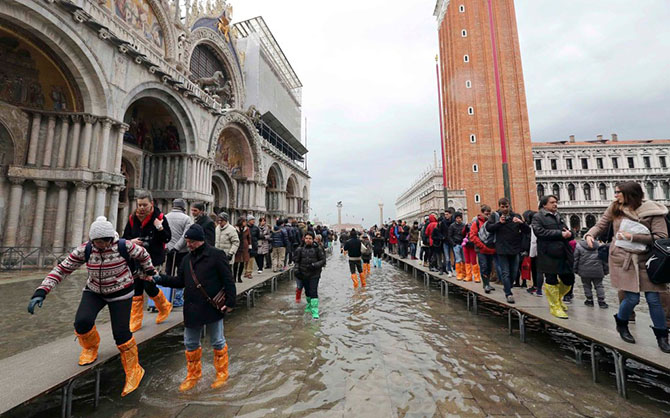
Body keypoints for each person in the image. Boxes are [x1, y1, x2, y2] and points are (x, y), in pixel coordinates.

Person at [27, 217, 156, 396]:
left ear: (111, 239)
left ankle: (134, 370)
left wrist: (149, 271)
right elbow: (63, 269)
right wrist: (42, 290)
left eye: (104, 241)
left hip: (121, 292)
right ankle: (90, 347)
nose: (100, 245)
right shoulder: (86, 249)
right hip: (94, 290)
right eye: (97, 242)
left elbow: (143, 255)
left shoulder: (124, 246)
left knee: (121, 334)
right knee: (82, 322)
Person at [584, 182, 670, 352]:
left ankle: (662, 337)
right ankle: (622, 323)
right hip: (623, 258)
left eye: (618, 192)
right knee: (632, 298)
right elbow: (601, 225)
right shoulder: (615, 208)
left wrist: (633, 237)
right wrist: (589, 234)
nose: (615, 195)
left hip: (647, 260)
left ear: (630, 194)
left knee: (654, 300)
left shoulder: (653, 211)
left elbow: (661, 236)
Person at [154, 224, 237, 390]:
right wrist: (159, 279)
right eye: (187, 241)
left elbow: (228, 280)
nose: (189, 245)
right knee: (190, 343)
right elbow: (180, 281)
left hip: (213, 306)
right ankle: (193, 375)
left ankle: (222, 373)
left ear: (200, 240)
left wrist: (230, 303)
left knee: (217, 341)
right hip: (192, 307)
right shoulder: (186, 260)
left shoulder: (216, 255)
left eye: (192, 241)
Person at [123, 190, 172, 332]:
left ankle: (164, 306)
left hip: (153, 257)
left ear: (151, 203)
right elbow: (125, 236)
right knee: (136, 286)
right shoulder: (133, 218)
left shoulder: (160, 217)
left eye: (144, 205)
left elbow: (167, 238)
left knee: (149, 286)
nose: (142, 208)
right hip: (136, 257)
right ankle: (136, 319)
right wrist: (131, 241)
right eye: (139, 205)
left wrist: (159, 227)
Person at [532, 195, 574, 319]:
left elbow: (566, 230)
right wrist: (560, 234)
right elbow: (539, 232)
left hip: (563, 252)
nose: (555, 204)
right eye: (552, 202)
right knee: (551, 279)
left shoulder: (558, 216)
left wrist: (570, 234)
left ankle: (558, 298)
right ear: (544, 205)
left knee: (569, 278)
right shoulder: (538, 217)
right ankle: (555, 306)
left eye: (556, 202)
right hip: (548, 253)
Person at [485, 198, 530, 304]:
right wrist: (499, 223)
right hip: (502, 249)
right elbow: (488, 228)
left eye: (506, 206)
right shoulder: (495, 216)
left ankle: (507, 287)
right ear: (499, 206)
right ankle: (508, 293)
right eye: (502, 206)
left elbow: (527, 231)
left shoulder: (516, 216)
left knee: (514, 272)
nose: (505, 208)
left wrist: (521, 223)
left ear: (509, 205)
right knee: (505, 272)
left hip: (515, 249)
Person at [165, 198, 192, 307]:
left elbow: (163, 234)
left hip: (169, 250)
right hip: (182, 251)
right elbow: (186, 236)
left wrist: (168, 247)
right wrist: (177, 247)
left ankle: (167, 297)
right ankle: (177, 299)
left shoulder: (165, 217)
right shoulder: (187, 218)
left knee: (168, 273)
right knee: (182, 274)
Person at [294, 231, 326, 319]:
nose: (308, 240)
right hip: (303, 273)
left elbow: (323, 260)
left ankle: (315, 310)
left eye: (310, 238)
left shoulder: (318, 248)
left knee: (313, 291)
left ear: (313, 239)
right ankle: (309, 304)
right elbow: (296, 261)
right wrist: (297, 270)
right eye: (306, 238)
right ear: (304, 239)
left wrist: (314, 265)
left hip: (314, 274)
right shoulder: (300, 249)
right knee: (307, 291)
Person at [573, 237, 609, 308]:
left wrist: (575, 269)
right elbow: (604, 260)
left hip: (584, 270)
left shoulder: (579, 246)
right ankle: (601, 301)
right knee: (599, 285)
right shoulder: (600, 246)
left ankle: (589, 300)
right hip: (598, 270)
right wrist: (606, 270)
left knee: (586, 285)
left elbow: (575, 259)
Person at [470, 205, 496, 293]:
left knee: (489, 267)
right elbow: (473, 236)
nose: (488, 215)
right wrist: (481, 245)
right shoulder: (476, 222)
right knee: (484, 266)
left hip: (490, 248)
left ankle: (487, 283)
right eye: (486, 213)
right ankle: (485, 284)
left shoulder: (492, 222)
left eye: (489, 213)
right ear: (482, 213)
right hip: (481, 249)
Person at [448, 212, 466, 281]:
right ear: (455, 219)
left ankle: (464, 273)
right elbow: (449, 236)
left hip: (462, 244)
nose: (459, 219)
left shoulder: (463, 225)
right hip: (456, 244)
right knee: (458, 259)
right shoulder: (452, 226)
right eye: (457, 218)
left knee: (464, 259)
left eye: (460, 218)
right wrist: (453, 243)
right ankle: (459, 274)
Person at [233, 218, 250, 282]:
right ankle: (234, 277)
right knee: (236, 262)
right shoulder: (235, 228)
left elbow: (249, 238)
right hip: (237, 246)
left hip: (244, 247)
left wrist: (249, 245)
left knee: (242, 262)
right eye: (244, 222)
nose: (245, 223)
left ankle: (239, 277)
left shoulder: (247, 229)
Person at [439, 210, 455, 276]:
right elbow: (440, 231)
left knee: (455, 256)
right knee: (447, 257)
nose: (446, 216)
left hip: (453, 241)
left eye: (447, 214)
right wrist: (443, 237)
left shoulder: (453, 222)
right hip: (445, 241)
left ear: (450, 214)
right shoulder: (443, 222)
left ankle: (455, 270)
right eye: (445, 214)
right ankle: (449, 270)